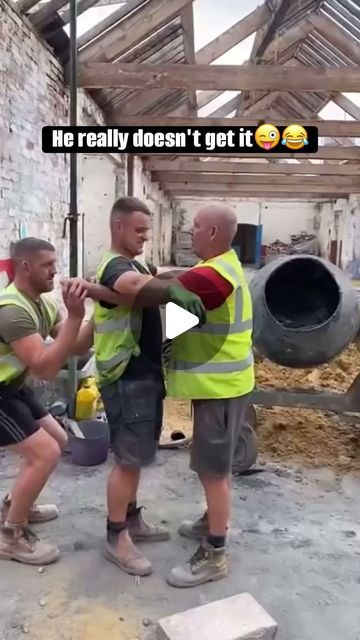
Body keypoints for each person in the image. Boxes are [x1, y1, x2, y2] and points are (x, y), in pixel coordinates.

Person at [90, 196, 206, 577]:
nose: (144, 237)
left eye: (147, 231)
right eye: (139, 230)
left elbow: (152, 275)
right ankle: (115, 537)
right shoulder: (115, 265)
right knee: (127, 460)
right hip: (126, 375)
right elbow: (129, 284)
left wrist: (177, 279)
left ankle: (132, 518)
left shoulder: (137, 261)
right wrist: (170, 290)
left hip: (144, 374)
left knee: (137, 455)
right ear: (119, 226)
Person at [165, 204, 255, 588]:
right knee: (215, 468)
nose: (191, 233)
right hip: (227, 383)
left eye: (197, 227)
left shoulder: (213, 275)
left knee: (213, 470)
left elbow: (164, 288)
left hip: (220, 388)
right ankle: (210, 521)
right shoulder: (227, 266)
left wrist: (146, 283)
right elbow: (181, 285)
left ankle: (215, 553)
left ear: (214, 233)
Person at [0, 238, 90, 566]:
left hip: (12, 386)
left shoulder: (43, 303)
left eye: (55, 263)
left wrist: (98, 311)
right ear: (25, 266)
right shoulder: (12, 310)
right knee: (45, 453)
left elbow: (76, 345)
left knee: (58, 439)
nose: (55, 270)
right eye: (47, 265)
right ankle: (11, 536)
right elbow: (46, 367)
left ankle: (16, 504)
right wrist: (77, 315)